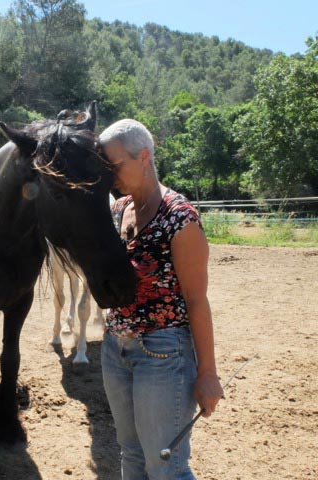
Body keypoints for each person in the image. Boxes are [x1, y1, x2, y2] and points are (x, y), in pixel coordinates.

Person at [97, 119, 224, 479]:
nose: (110, 176)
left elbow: (197, 300)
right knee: (132, 456)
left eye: (115, 165)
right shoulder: (118, 210)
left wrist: (208, 374)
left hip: (163, 354)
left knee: (165, 465)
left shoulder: (179, 219)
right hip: (114, 350)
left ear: (144, 157)